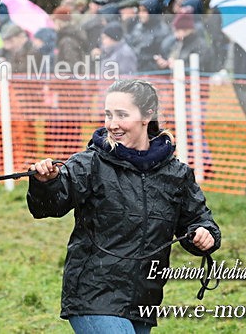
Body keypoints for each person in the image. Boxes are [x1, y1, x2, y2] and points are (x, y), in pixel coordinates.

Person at [27, 79, 220, 333]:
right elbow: (48, 207)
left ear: (146, 115)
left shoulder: (176, 173)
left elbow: (198, 220)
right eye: (108, 114)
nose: (112, 124)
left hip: (144, 301)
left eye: (121, 115)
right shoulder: (90, 163)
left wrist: (204, 234)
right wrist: (46, 183)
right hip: (93, 296)